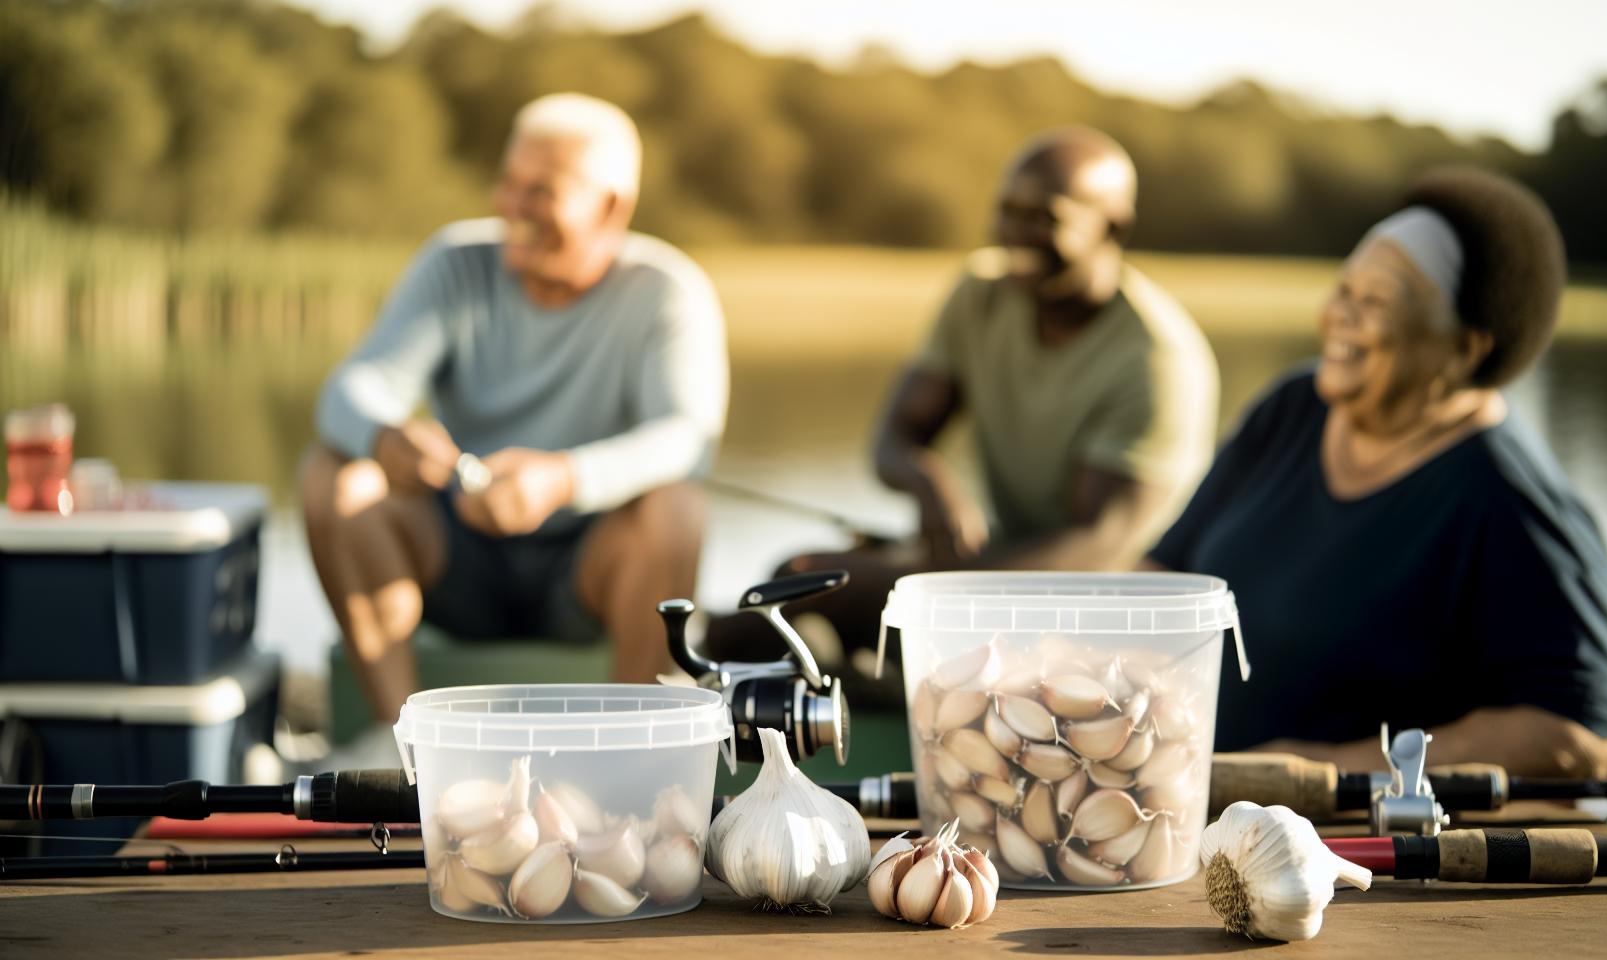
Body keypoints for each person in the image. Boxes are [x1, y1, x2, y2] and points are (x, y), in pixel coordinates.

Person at [1145, 166, 1607, 778]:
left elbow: (1590, 740)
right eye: (1345, 289)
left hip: (1336, 853)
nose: (1340, 316)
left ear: (1467, 347)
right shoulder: (1295, 407)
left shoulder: (1507, 499)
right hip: (1177, 800)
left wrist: (1329, 769)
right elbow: (1163, 576)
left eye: (1376, 301)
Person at [301, 93, 728, 734]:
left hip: (587, 570)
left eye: (541, 191)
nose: (512, 207)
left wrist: (562, 479)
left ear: (611, 205)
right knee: (335, 476)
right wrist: (387, 438)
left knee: (677, 509)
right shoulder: (454, 262)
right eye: (509, 182)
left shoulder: (668, 291)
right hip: (457, 555)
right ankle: (400, 745)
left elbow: (687, 439)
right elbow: (349, 390)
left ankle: (626, 750)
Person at [734, 127, 1217, 654]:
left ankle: (701, 657)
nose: (1015, 234)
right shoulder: (980, 294)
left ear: (1114, 225)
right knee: (806, 581)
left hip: (1110, 619)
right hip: (999, 576)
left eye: (1044, 218)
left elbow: (1098, 551)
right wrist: (929, 482)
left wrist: (940, 587)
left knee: (802, 586)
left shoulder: (1157, 357)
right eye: (1007, 210)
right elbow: (894, 437)